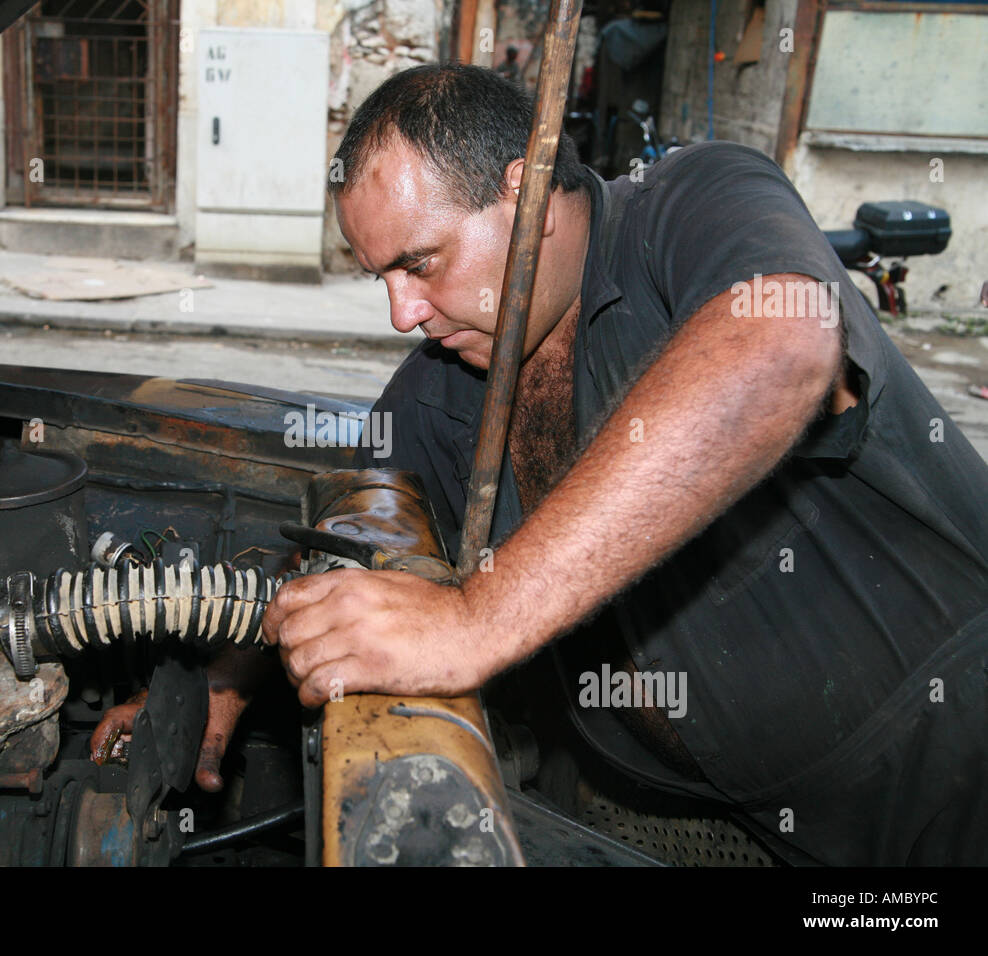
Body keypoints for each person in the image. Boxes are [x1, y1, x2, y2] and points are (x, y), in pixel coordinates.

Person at [98, 64, 988, 865]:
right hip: (699, 820)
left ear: (525, 196)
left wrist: (477, 620)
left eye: (421, 263)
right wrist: (218, 689)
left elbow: (779, 345)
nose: (403, 313)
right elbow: (346, 544)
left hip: (942, 773)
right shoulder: (440, 393)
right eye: (384, 280)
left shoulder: (692, 205)